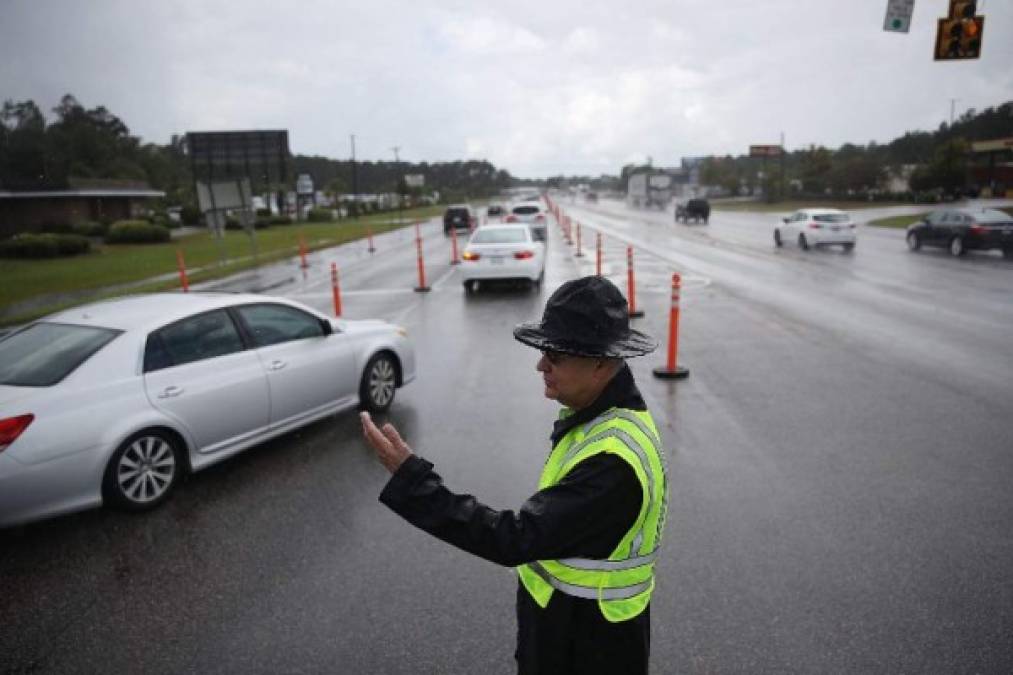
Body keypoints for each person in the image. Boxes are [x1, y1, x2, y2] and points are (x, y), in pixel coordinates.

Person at [360, 275, 669, 674]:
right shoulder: (605, 419)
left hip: (588, 647)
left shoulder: (612, 462)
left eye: (555, 355)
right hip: (574, 631)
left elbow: (515, 538)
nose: (541, 365)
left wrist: (414, 483)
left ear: (601, 363)